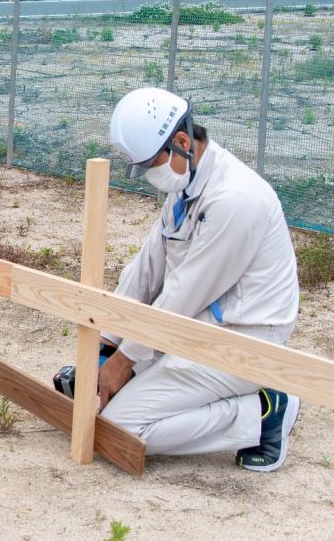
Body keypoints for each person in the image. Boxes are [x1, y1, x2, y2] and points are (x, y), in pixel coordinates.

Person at [99, 87, 300, 472]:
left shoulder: (235, 199)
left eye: (150, 165)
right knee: (116, 389)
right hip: (200, 324)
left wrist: (125, 360)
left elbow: (184, 294)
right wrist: (106, 345)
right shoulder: (185, 184)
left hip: (246, 339)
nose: (148, 177)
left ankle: (264, 414)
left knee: (120, 425)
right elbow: (147, 269)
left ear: (181, 141)